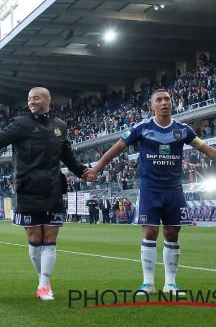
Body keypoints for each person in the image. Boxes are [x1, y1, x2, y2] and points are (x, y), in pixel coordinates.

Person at [0, 87, 88, 301]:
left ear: (48, 100)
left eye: (36, 98)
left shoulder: (60, 126)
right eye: (30, 98)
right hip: (28, 188)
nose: (32, 102)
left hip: (52, 189)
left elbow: (67, 155)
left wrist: (83, 171)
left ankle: (43, 285)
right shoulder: (21, 123)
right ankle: (44, 280)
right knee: (34, 239)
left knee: (50, 239)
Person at [85, 88, 216, 296]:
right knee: (150, 232)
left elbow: (206, 149)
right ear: (152, 106)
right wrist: (96, 168)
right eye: (159, 100)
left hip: (174, 190)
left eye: (167, 99)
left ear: (172, 103)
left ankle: (171, 283)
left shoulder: (183, 130)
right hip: (150, 189)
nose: (164, 103)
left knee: (172, 234)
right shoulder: (142, 128)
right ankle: (147, 283)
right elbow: (117, 148)